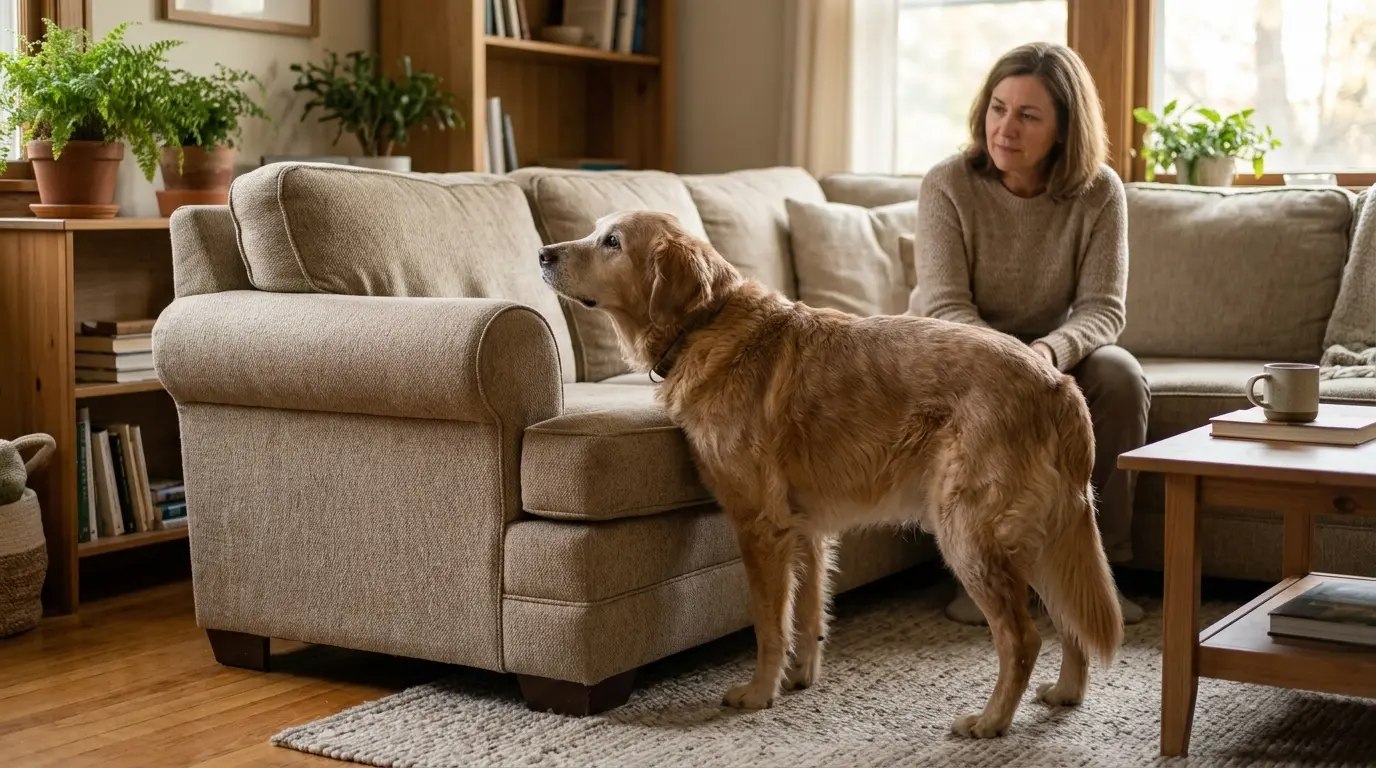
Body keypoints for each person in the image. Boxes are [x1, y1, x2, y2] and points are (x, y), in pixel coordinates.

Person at [907, 41, 1149, 625]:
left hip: (1047, 351)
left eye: (1028, 115)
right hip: (953, 353)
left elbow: (1102, 310)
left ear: (1064, 130)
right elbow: (943, 306)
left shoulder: (1099, 193)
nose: (1004, 128)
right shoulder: (948, 183)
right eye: (997, 108)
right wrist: (1014, 364)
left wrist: (1046, 353)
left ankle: (1099, 572)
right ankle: (986, 572)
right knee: (989, 398)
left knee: (1119, 375)